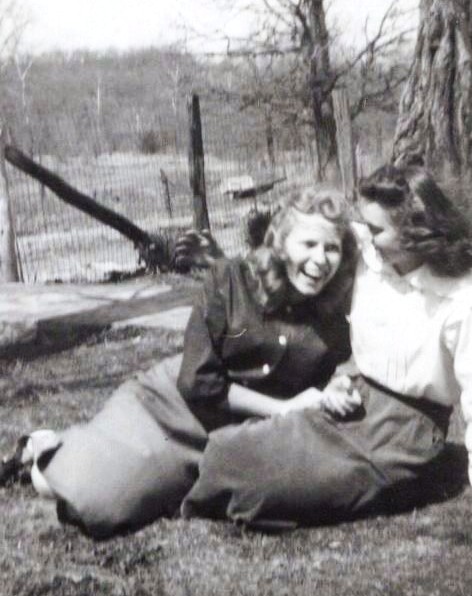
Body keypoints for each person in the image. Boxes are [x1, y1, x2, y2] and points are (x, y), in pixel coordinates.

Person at [0, 187, 359, 539]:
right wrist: (283, 408)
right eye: (308, 244)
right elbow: (199, 382)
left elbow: (343, 368)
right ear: (280, 244)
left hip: (236, 437)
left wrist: (338, 385)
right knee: (89, 501)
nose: (321, 259)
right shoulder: (230, 280)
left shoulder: (335, 315)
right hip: (170, 409)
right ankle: (45, 446)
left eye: (332, 248)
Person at [180, 164, 472, 526]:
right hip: (353, 398)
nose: (363, 235)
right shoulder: (372, 258)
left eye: (375, 229)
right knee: (232, 450)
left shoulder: (460, 296)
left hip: (407, 429)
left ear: (411, 229)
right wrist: (220, 259)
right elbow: (294, 238)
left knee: (257, 487)